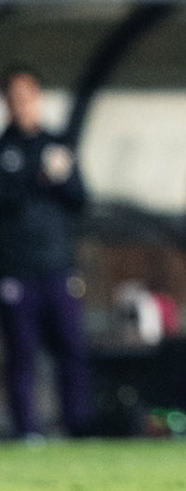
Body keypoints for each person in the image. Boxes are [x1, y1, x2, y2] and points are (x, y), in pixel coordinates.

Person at [0, 66, 91, 440]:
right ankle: (28, 430)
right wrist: (40, 177)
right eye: (15, 98)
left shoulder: (57, 144)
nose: (23, 105)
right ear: (7, 102)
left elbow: (81, 199)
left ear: (38, 98)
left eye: (28, 97)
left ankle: (79, 426)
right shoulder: (5, 150)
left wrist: (62, 176)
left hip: (58, 266)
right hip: (17, 270)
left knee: (71, 349)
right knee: (22, 355)